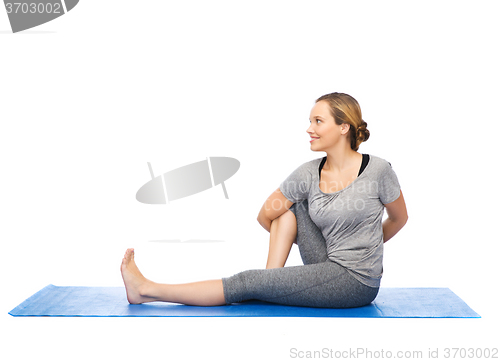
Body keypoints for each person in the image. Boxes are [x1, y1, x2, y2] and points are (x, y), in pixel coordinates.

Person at [120, 92, 408, 308]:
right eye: (309, 121)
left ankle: (146, 290)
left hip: (356, 281)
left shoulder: (378, 170)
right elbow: (265, 215)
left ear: (343, 127)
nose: (309, 128)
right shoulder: (307, 173)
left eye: (318, 121)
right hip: (326, 260)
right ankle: (270, 281)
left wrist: (367, 246)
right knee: (288, 209)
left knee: (245, 282)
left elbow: (399, 218)